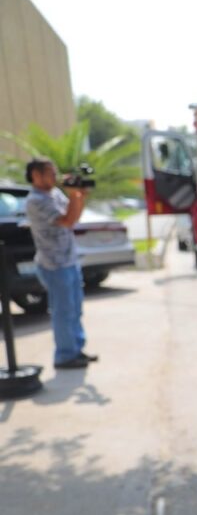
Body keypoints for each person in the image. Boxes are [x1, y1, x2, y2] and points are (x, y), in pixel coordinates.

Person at [24, 158, 97, 370]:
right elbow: (66, 220)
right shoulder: (36, 200)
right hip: (54, 264)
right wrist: (74, 194)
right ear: (36, 175)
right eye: (50, 173)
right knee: (63, 311)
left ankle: (75, 349)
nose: (54, 177)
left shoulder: (54, 194)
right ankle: (65, 356)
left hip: (69, 260)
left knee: (74, 309)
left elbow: (74, 215)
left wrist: (79, 195)